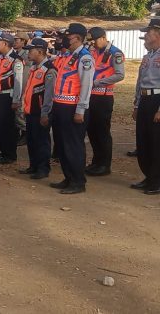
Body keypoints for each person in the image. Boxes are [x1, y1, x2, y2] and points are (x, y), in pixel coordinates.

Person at [49, 23, 95, 194]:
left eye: (67, 37)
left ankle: (77, 181)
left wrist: (80, 110)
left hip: (73, 108)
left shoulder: (85, 58)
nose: (64, 40)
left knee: (73, 146)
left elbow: (86, 86)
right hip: (61, 106)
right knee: (62, 145)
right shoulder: (69, 56)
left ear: (76, 38)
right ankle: (68, 177)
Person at [85, 27, 125, 177]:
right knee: (92, 131)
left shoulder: (115, 53)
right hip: (91, 97)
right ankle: (96, 161)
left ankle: (104, 164)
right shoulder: (93, 52)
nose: (92, 44)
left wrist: (98, 82)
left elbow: (120, 75)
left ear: (102, 38)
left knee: (102, 132)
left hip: (103, 97)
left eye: (94, 40)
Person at [19, 38, 56, 180]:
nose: (28, 52)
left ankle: (43, 168)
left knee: (42, 141)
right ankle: (33, 165)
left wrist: (45, 113)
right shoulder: (35, 68)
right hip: (31, 111)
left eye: (31, 50)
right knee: (32, 140)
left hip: (41, 112)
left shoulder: (49, 70)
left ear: (40, 51)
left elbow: (49, 95)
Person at [131, 18, 160, 195]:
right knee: (143, 141)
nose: (145, 36)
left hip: (157, 100)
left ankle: (156, 181)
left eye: (148, 33)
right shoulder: (148, 56)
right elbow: (139, 82)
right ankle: (149, 176)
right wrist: (136, 105)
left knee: (156, 142)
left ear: (157, 33)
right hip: (145, 101)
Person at [0, 32, 24, 164]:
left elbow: (18, 81)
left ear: (5, 43)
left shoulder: (15, 60)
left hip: (7, 96)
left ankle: (10, 154)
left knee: (7, 126)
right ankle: (3, 151)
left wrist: (16, 100)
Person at [13, 32, 31, 146]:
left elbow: (26, 73)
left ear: (23, 41)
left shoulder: (27, 54)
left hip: (24, 85)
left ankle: (26, 134)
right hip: (17, 86)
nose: (14, 42)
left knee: (21, 113)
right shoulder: (17, 53)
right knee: (17, 113)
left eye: (17, 40)